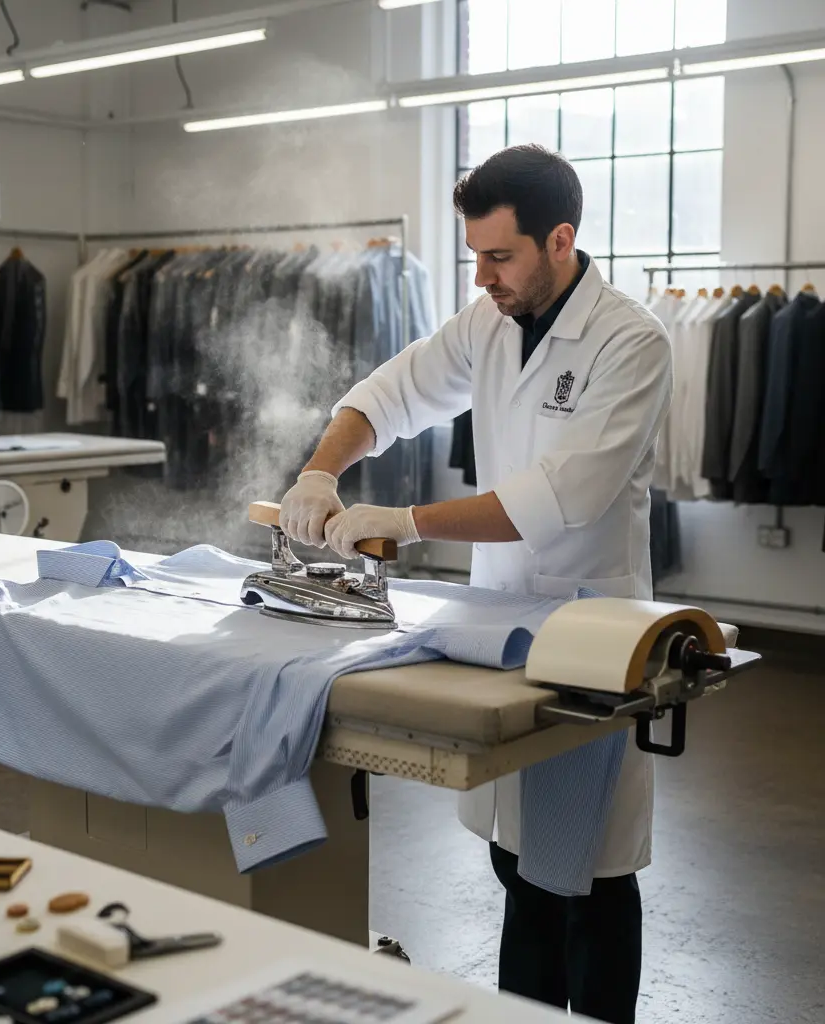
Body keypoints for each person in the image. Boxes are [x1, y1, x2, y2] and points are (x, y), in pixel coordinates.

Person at [277, 144, 672, 1024]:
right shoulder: (487, 320)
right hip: (500, 626)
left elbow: (563, 496)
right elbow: (388, 394)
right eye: (475, 257)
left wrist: (407, 523)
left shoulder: (630, 340)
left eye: (500, 257)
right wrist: (320, 474)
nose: (484, 276)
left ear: (560, 240)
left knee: (597, 873)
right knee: (517, 862)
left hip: (597, 630)